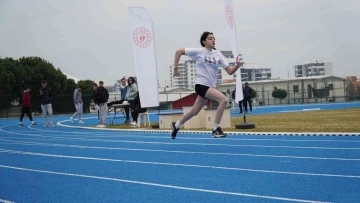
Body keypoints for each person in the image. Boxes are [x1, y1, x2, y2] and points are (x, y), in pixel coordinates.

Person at [170, 31, 244, 139]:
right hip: (201, 85)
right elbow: (178, 51)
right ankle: (216, 129)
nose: (213, 40)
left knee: (194, 112)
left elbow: (229, 71)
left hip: (210, 87)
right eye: (210, 38)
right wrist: (176, 69)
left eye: (214, 38)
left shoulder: (218, 54)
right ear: (204, 41)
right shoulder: (199, 52)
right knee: (223, 100)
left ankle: (176, 125)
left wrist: (237, 66)